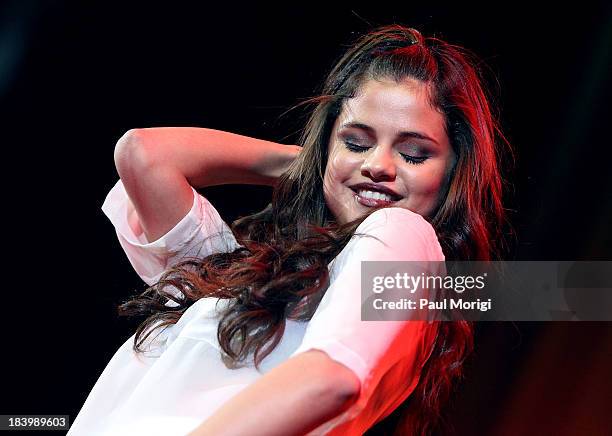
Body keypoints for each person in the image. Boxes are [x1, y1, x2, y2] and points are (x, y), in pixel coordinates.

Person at [68, 24, 511, 436]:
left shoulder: (401, 233)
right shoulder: (242, 275)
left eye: (414, 154)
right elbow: (143, 155)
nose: (377, 166)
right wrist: (309, 164)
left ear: (452, 175)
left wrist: (337, 161)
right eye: (355, 143)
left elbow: (331, 378)